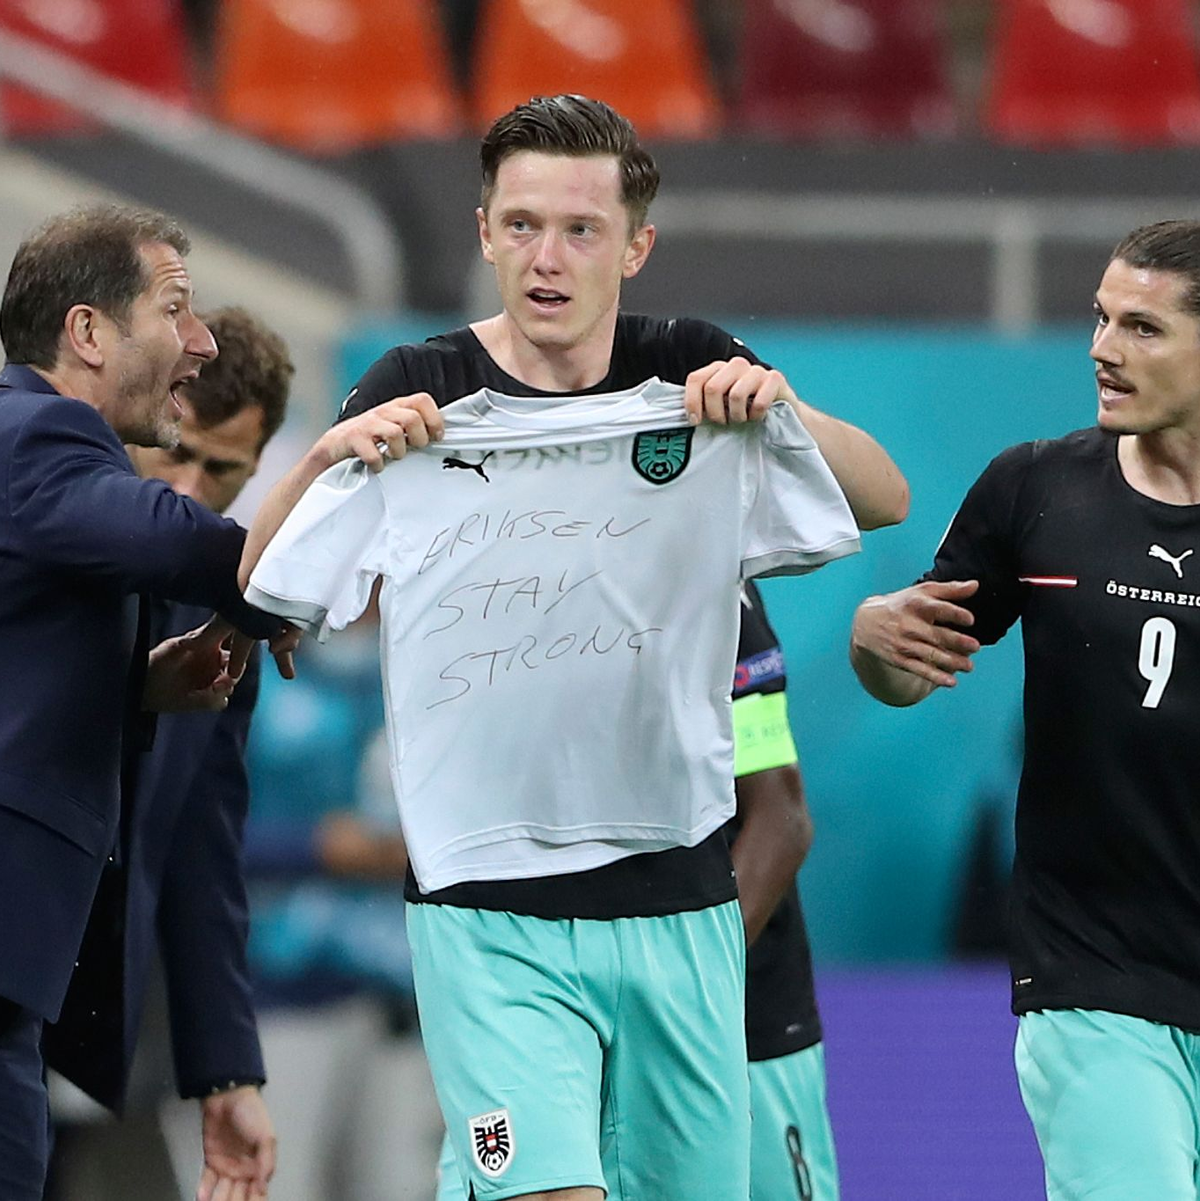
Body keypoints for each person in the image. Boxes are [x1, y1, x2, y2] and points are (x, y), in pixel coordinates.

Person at [242, 95, 907, 1201]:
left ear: (636, 245)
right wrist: (328, 459)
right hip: (487, 902)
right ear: (484, 230)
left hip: (680, 900)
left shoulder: (692, 373)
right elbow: (266, 593)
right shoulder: (420, 389)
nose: (546, 258)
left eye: (581, 230)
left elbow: (883, 496)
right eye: (521, 226)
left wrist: (780, 406)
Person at [849, 219, 1200, 1200]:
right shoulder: (1035, 491)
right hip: (1097, 979)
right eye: (1099, 318)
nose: (1102, 348)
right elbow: (909, 664)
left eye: (1142, 328)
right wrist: (874, 639)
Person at [0, 205, 292, 1201]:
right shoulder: (36, 444)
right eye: (175, 310)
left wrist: (226, 1072)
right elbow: (192, 545)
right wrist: (310, 534)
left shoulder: (200, 627)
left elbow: (202, 849)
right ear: (89, 334)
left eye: (228, 474)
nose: (193, 488)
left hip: (53, 1004)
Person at [434, 577, 840, 1201]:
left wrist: (684, 994)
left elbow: (781, 822)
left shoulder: (705, 576)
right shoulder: (483, 575)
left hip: (728, 1024)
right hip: (542, 1016)